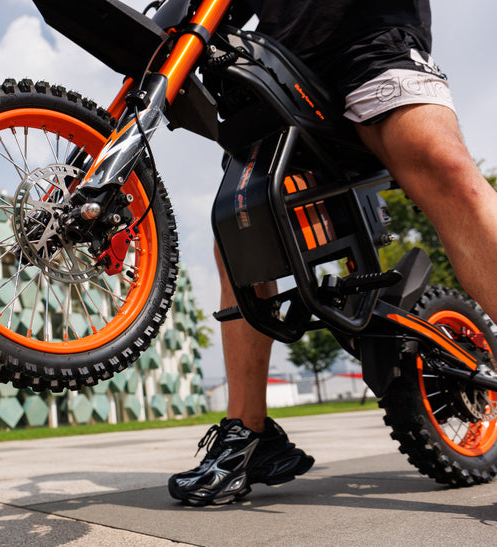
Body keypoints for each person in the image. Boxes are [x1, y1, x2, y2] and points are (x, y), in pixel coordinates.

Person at [168, 0, 497, 506]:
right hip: (281, 72)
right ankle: (249, 435)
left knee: (447, 168)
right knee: (241, 228)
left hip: (372, 42)